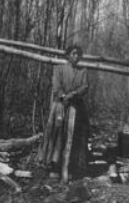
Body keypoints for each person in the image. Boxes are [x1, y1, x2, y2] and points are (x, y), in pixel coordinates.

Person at [41, 45, 89, 181]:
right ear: (67, 55)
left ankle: (70, 168)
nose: (76, 57)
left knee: (74, 138)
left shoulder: (83, 71)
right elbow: (56, 85)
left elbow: (85, 86)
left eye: (78, 54)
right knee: (56, 135)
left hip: (77, 108)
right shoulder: (59, 69)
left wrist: (73, 94)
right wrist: (63, 96)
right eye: (73, 54)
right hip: (60, 106)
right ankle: (54, 167)